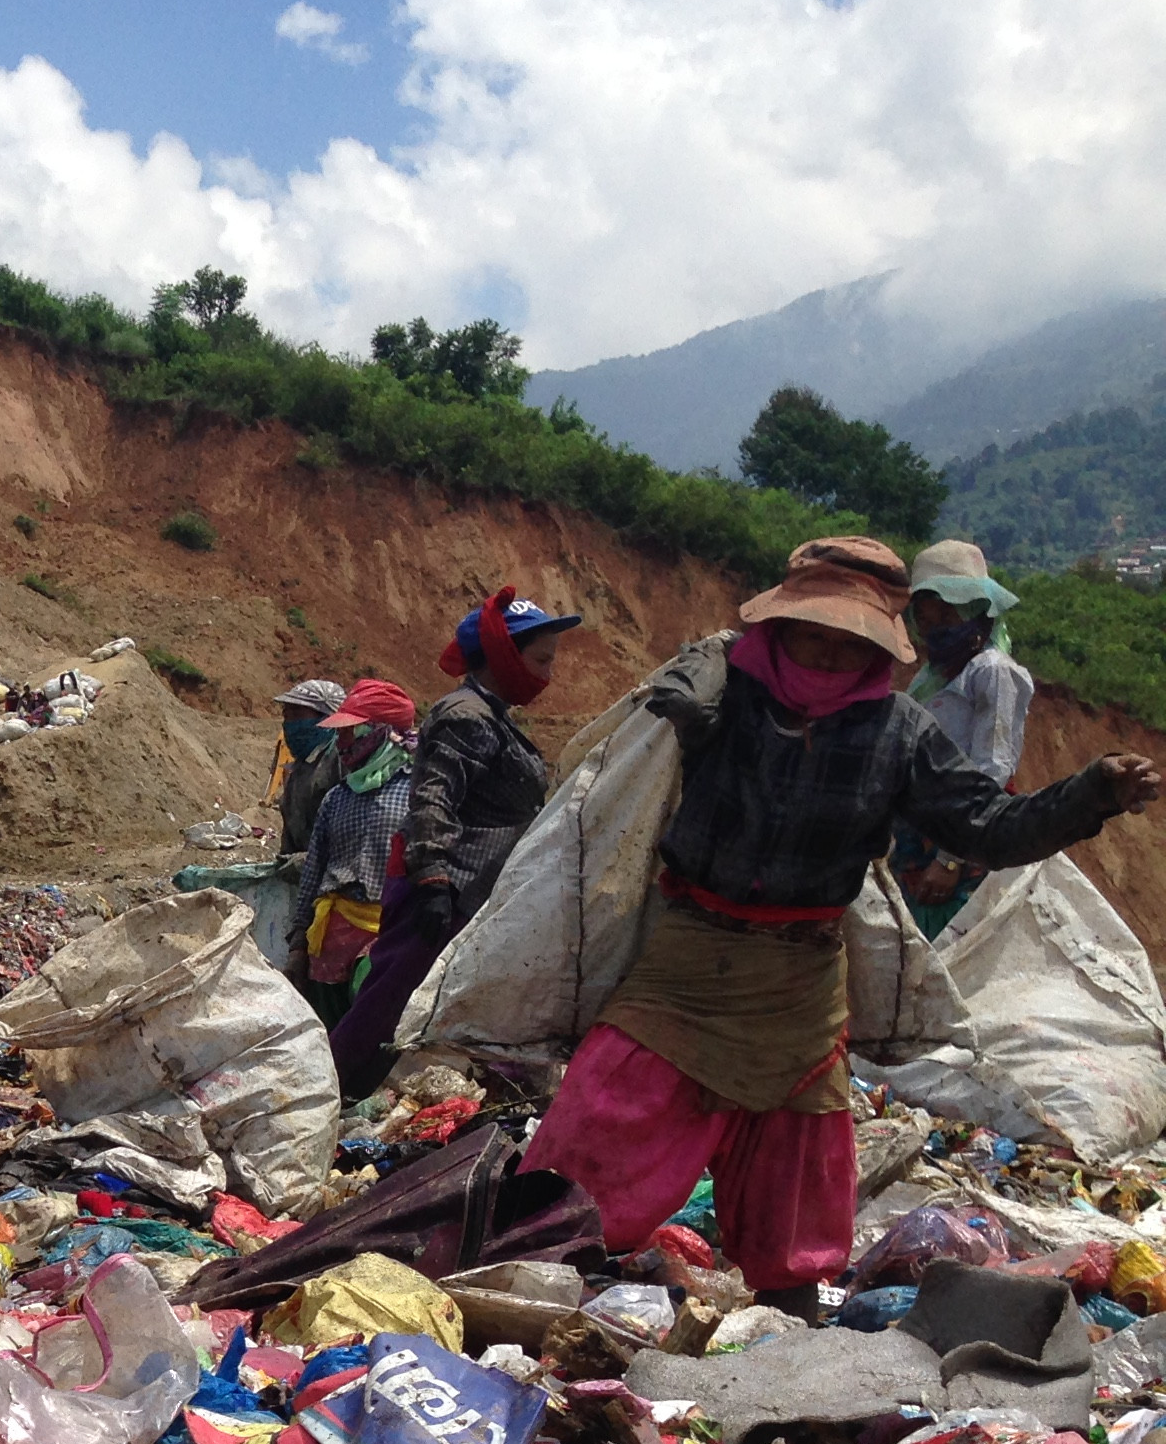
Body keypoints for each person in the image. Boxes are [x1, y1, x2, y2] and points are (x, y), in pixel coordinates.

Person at [524, 535, 1161, 1307]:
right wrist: (691, 708)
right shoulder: (722, 686)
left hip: (800, 980)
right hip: (689, 964)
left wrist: (1090, 793)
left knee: (796, 1179)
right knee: (598, 1132)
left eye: (848, 638)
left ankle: (786, 1312)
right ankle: (545, 1260)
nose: (826, 651)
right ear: (778, 628)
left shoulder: (899, 732)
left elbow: (987, 826)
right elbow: (632, 764)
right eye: (810, 631)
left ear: (879, 647)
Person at [328, 588, 581, 1097]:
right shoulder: (466, 715)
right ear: (504, 657)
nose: (547, 676)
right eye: (539, 660)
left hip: (474, 890)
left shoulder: (492, 715)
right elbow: (433, 799)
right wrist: (434, 879)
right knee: (387, 1005)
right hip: (446, 891)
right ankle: (329, 1091)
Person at [887, 539, 1037, 937]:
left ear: (975, 612)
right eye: (927, 616)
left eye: (947, 615)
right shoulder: (933, 676)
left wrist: (951, 860)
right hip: (919, 836)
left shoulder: (992, 671)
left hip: (965, 839)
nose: (936, 627)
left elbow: (991, 767)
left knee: (951, 949)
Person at [287, 678, 418, 1026]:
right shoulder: (338, 797)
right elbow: (314, 872)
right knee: (327, 1033)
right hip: (332, 936)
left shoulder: (420, 796)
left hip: (388, 933)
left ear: (378, 733)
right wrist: (299, 942)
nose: (341, 742)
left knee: (371, 1028)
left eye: (349, 733)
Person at [270, 678, 349, 851]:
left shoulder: (341, 762)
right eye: (286, 715)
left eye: (297, 715)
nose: (289, 723)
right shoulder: (300, 769)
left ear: (328, 718)